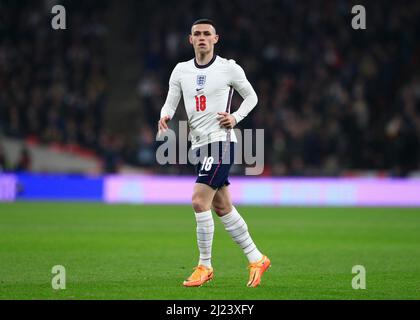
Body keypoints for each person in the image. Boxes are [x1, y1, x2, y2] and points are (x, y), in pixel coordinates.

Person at [158, 19, 270, 288]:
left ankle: (205, 265)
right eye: (197, 34)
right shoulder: (181, 70)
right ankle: (257, 258)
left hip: (221, 142)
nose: (202, 38)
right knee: (221, 206)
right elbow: (172, 98)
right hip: (198, 145)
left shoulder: (228, 68)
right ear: (190, 40)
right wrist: (165, 115)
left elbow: (252, 97)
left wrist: (236, 117)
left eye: (207, 34)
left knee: (199, 200)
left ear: (216, 39)